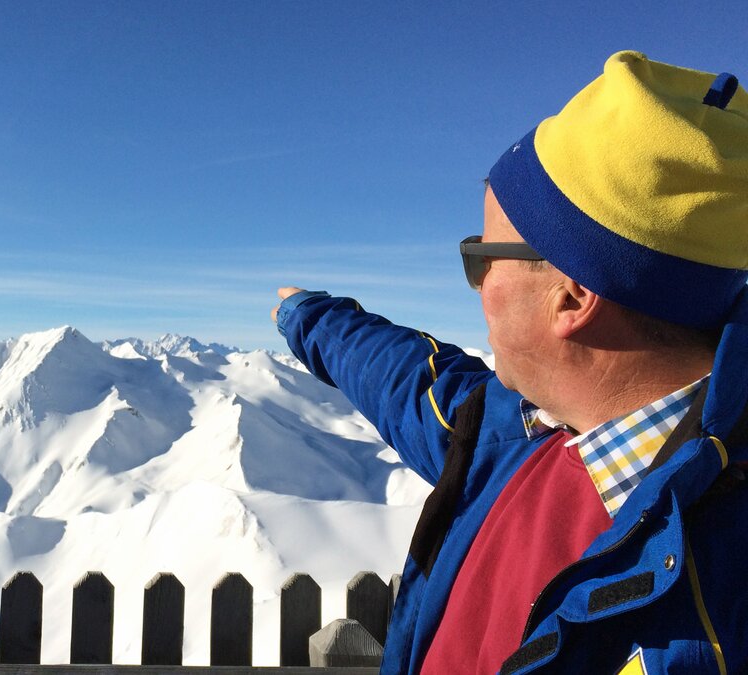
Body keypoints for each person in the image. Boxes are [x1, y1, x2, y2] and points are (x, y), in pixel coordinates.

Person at [272, 51, 747, 675]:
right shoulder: (509, 434)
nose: (477, 283)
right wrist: (308, 316)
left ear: (571, 296)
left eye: (482, 255)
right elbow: (403, 377)